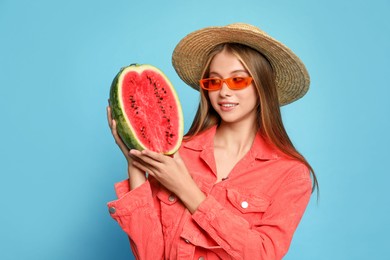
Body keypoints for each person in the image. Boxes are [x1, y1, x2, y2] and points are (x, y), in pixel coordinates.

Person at [106, 23, 318, 260]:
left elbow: (262, 254)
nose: (224, 92)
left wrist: (186, 189)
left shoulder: (291, 174)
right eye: (214, 82)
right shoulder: (177, 155)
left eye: (237, 80)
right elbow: (150, 254)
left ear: (262, 87)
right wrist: (135, 163)